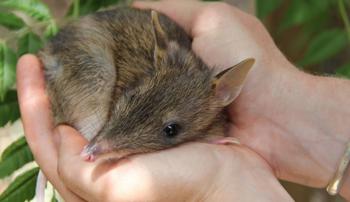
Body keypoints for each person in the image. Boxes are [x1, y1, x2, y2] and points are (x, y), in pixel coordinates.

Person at [17, 0, 350, 201]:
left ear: (226, 91)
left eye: (171, 130)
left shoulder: (210, 102)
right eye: (133, 96)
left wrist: (219, 186)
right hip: (86, 54)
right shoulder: (157, 67)